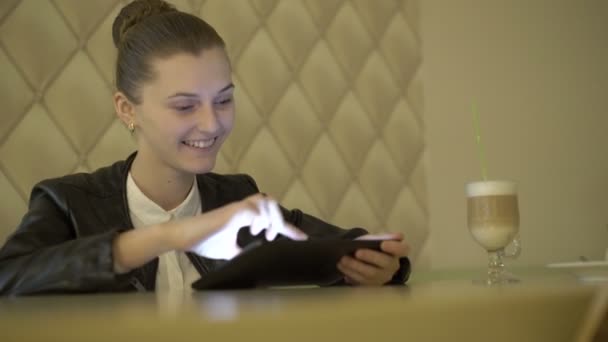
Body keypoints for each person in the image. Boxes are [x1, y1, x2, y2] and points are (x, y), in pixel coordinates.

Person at [0, 0, 410, 296]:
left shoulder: (236, 198)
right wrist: (175, 234)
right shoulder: (68, 203)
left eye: (224, 99)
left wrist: (382, 268)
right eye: (184, 105)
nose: (212, 123)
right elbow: (9, 277)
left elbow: (340, 247)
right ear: (127, 109)